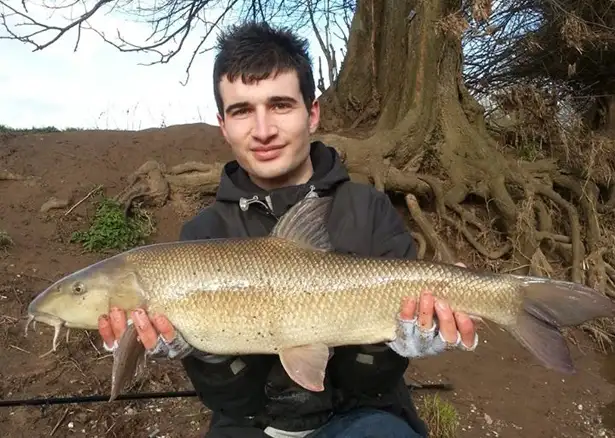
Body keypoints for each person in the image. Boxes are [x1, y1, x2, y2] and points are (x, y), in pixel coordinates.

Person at [97, 21, 478, 438]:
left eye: (280, 105)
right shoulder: (202, 234)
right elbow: (230, 401)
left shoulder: (367, 207)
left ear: (312, 113)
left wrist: (395, 343)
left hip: (364, 414)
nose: (263, 131)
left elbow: (374, 384)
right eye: (242, 111)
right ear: (223, 126)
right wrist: (200, 353)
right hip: (250, 424)